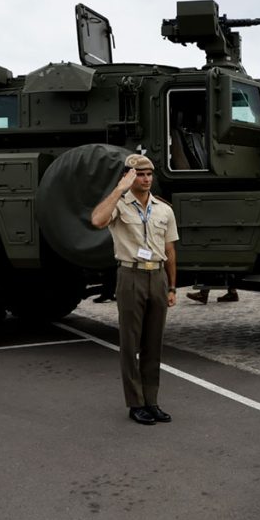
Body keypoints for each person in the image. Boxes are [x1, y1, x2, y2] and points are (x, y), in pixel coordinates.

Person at [91, 153, 179, 426]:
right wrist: (119, 189)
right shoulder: (119, 205)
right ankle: (135, 403)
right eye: (139, 174)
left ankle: (151, 400)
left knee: (154, 343)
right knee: (131, 343)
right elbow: (97, 220)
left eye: (149, 174)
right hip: (130, 276)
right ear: (128, 176)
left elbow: (170, 250)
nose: (146, 179)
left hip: (157, 278)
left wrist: (172, 286)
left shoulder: (163, 209)